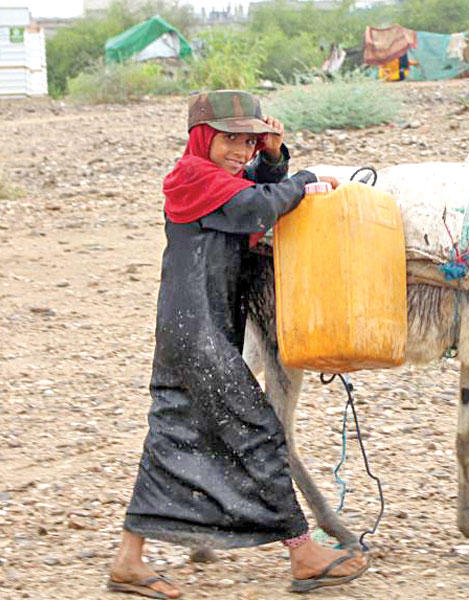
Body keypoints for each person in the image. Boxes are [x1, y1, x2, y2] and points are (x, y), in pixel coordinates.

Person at [107, 90, 368, 599]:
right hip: (199, 334)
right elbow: (257, 204)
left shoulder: (216, 181)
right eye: (230, 139)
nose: (239, 150)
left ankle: (127, 561)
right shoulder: (191, 179)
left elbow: (254, 186)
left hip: (190, 332)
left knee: (171, 437)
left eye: (247, 140)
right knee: (258, 430)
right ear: (202, 137)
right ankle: (304, 553)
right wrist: (303, 184)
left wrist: (274, 157)